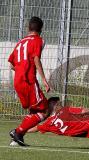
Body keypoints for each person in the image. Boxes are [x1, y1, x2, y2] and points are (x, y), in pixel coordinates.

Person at [8, 16, 50, 146]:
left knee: (34, 111)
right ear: (41, 29)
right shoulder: (37, 40)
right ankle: (18, 132)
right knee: (44, 110)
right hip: (28, 81)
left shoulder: (20, 42)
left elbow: (11, 65)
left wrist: (21, 70)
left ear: (28, 28)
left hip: (18, 81)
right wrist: (44, 79)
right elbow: (36, 59)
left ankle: (17, 138)